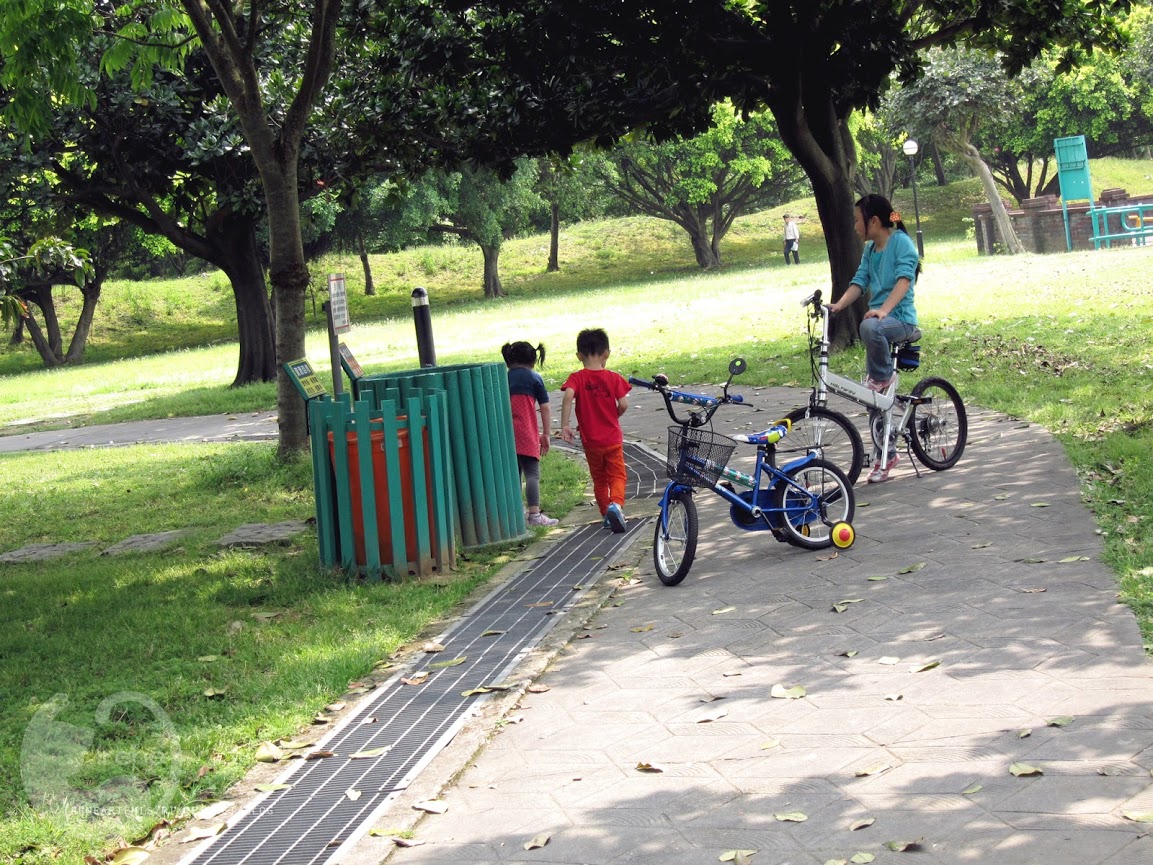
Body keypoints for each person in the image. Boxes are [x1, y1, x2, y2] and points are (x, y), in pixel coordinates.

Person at [827, 193, 921, 484]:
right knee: (873, 399)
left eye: (858, 220)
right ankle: (887, 454)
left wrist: (883, 310)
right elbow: (859, 281)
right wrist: (838, 306)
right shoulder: (870, 252)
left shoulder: (901, 243)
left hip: (901, 320)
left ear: (875, 221)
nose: (855, 226)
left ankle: (882, 379)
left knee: (869, 327)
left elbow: (905, 281)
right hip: (882, 321)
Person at [560, 328, 631, 533]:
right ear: (606, 353)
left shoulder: (577, 378)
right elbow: (624, 404)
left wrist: (565, 424)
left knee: (599, 479)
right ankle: (616, 505)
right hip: (612, 438)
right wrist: (614, 415)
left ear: (579, 355)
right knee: (618, 475)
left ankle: (605, 515)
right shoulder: (614, 378)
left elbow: (568, 396)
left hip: (591, 440)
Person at [502, 340, 558, 527]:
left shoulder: (504, 378)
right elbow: (545, 407)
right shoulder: (534, 378)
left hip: (506, 433)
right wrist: (546, 434)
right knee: (532, 474)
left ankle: (516, 514)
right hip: (526, 432)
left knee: (513, 474)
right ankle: (534, 515)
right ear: (533, 360)